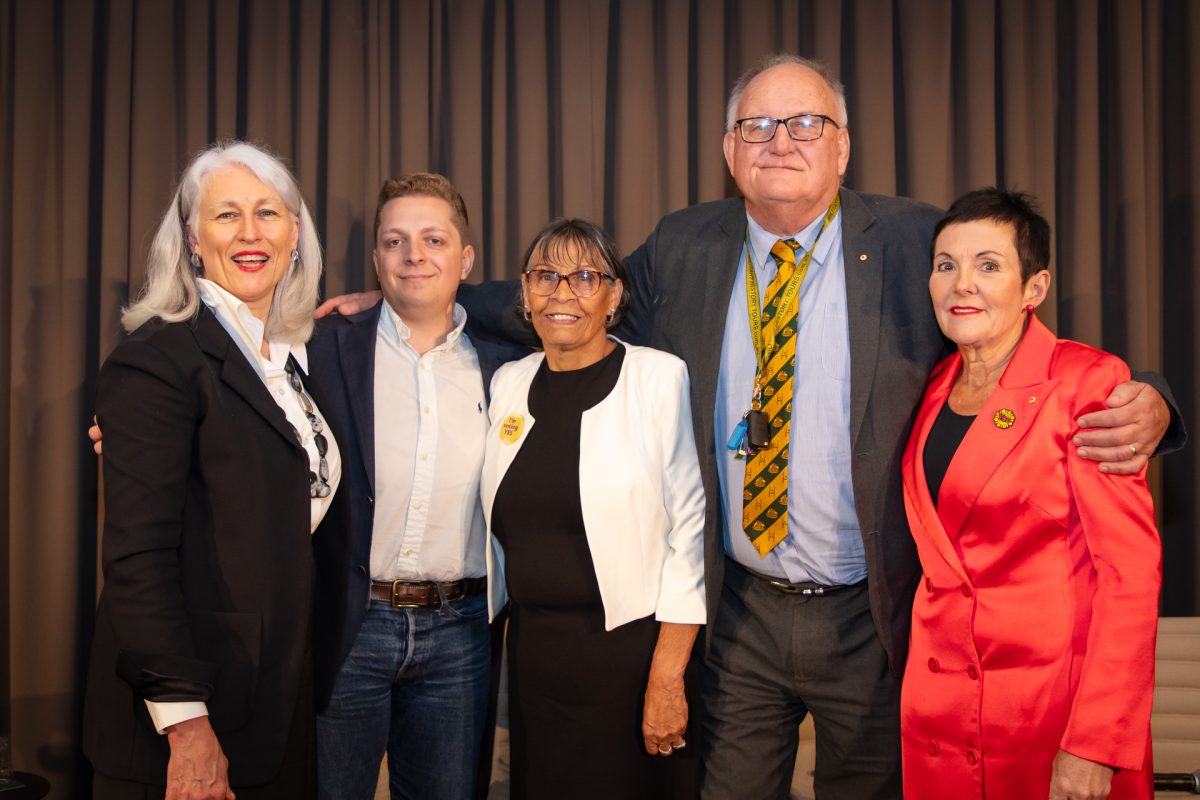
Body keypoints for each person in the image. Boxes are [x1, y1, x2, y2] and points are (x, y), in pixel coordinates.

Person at [317, 54, 1178, 799]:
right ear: (730, 151)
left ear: (843, 146)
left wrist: (1152, 395)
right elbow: (566, 297)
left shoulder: (917, 238)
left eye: (806, 122)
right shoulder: (688, 244)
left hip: (871, 616)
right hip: (741, 614)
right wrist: (427, 299)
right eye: (757, 125)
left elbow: (1004, 314)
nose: (781, 141)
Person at [83, 140, 340, 799]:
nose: (250, 233)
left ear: (295, 235)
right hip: (190, 721)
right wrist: (185, 724)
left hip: (277, 703)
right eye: (226, 216)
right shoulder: (161, 357)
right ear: (193, 239)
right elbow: (138, 559)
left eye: (268, 213)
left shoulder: (291, 362)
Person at [900, 188, 1160, 800]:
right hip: (939, 715)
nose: (962, 284)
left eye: (988, 265)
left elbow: (1130, 576)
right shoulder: (931, 385)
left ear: (1035, 288)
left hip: (1050, 719)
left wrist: (1097, 741)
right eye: (946, 265)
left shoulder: (1088, 383)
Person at [307, 174, 525, 800]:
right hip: (351, 625)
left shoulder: (509, 361)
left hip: (462, 631)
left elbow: (589, 294)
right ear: (375, 257)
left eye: (434, 240)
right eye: (394, 241)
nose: (413, 256)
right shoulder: (322, 345)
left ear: (466, 259)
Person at [480, 218, 706, 798]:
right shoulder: (508, 382)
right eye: (545, 276)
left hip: (631, 659)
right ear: (525, 296)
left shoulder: (658, 380)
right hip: (534, 659)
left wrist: (667, 677)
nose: (562, 293)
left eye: (585, 277)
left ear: (615, 296)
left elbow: (690, 533)